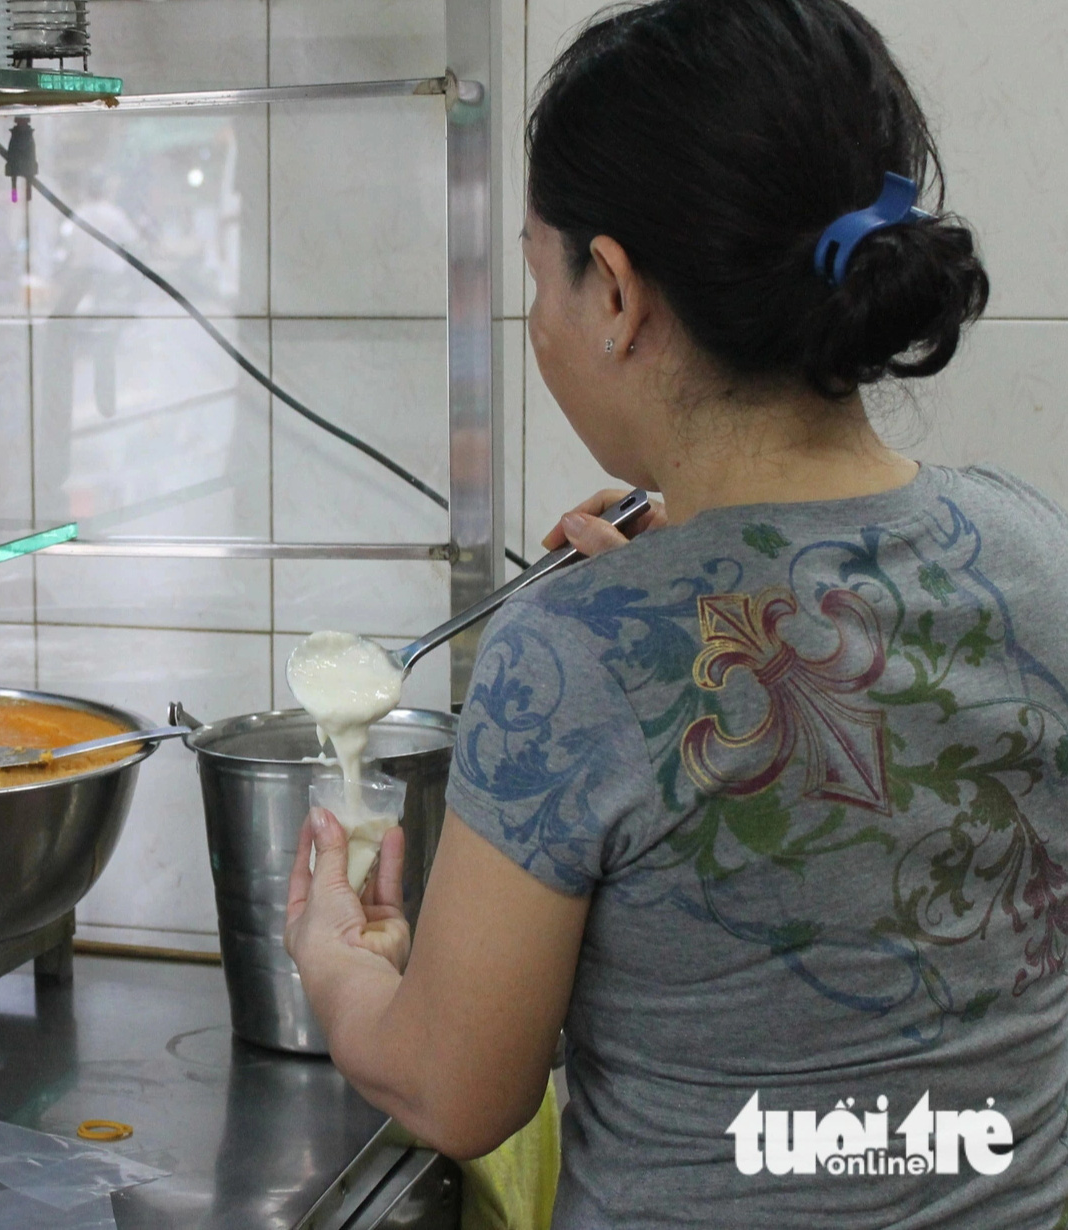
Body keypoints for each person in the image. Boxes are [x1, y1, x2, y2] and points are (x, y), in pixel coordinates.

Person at [282, 0, 1068, 1225]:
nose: (537, 319)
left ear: (611, 291)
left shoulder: (574, 652)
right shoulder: (1037, 552)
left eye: (537, 271)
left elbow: (451, 1089)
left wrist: (334, 960)